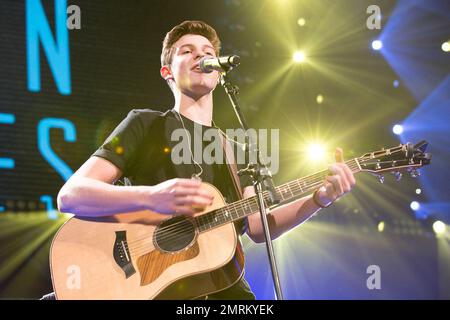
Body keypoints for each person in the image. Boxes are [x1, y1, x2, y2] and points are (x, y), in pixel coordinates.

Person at [56, 20, 356, 300]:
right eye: (187, 51)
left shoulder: (236, 149)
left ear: (219, 70)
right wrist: (151, 196)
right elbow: (71, 196)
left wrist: (320, 199)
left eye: (209, 52)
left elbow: (259, 225)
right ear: (168, 72)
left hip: (222, 286)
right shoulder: (144, 124)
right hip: (152, 287)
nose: (201, 56)